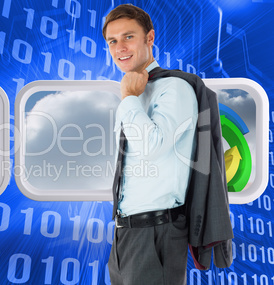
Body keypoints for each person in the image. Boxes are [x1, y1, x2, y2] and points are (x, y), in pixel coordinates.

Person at [102, 4, 198, 284]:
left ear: (149, 38)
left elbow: (153, 147)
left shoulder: (174, 88)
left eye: (128, 37)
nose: (120, 47)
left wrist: (130, 97)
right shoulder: (136, 93)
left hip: (156, 231)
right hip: (126, 233)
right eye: (112, 41)